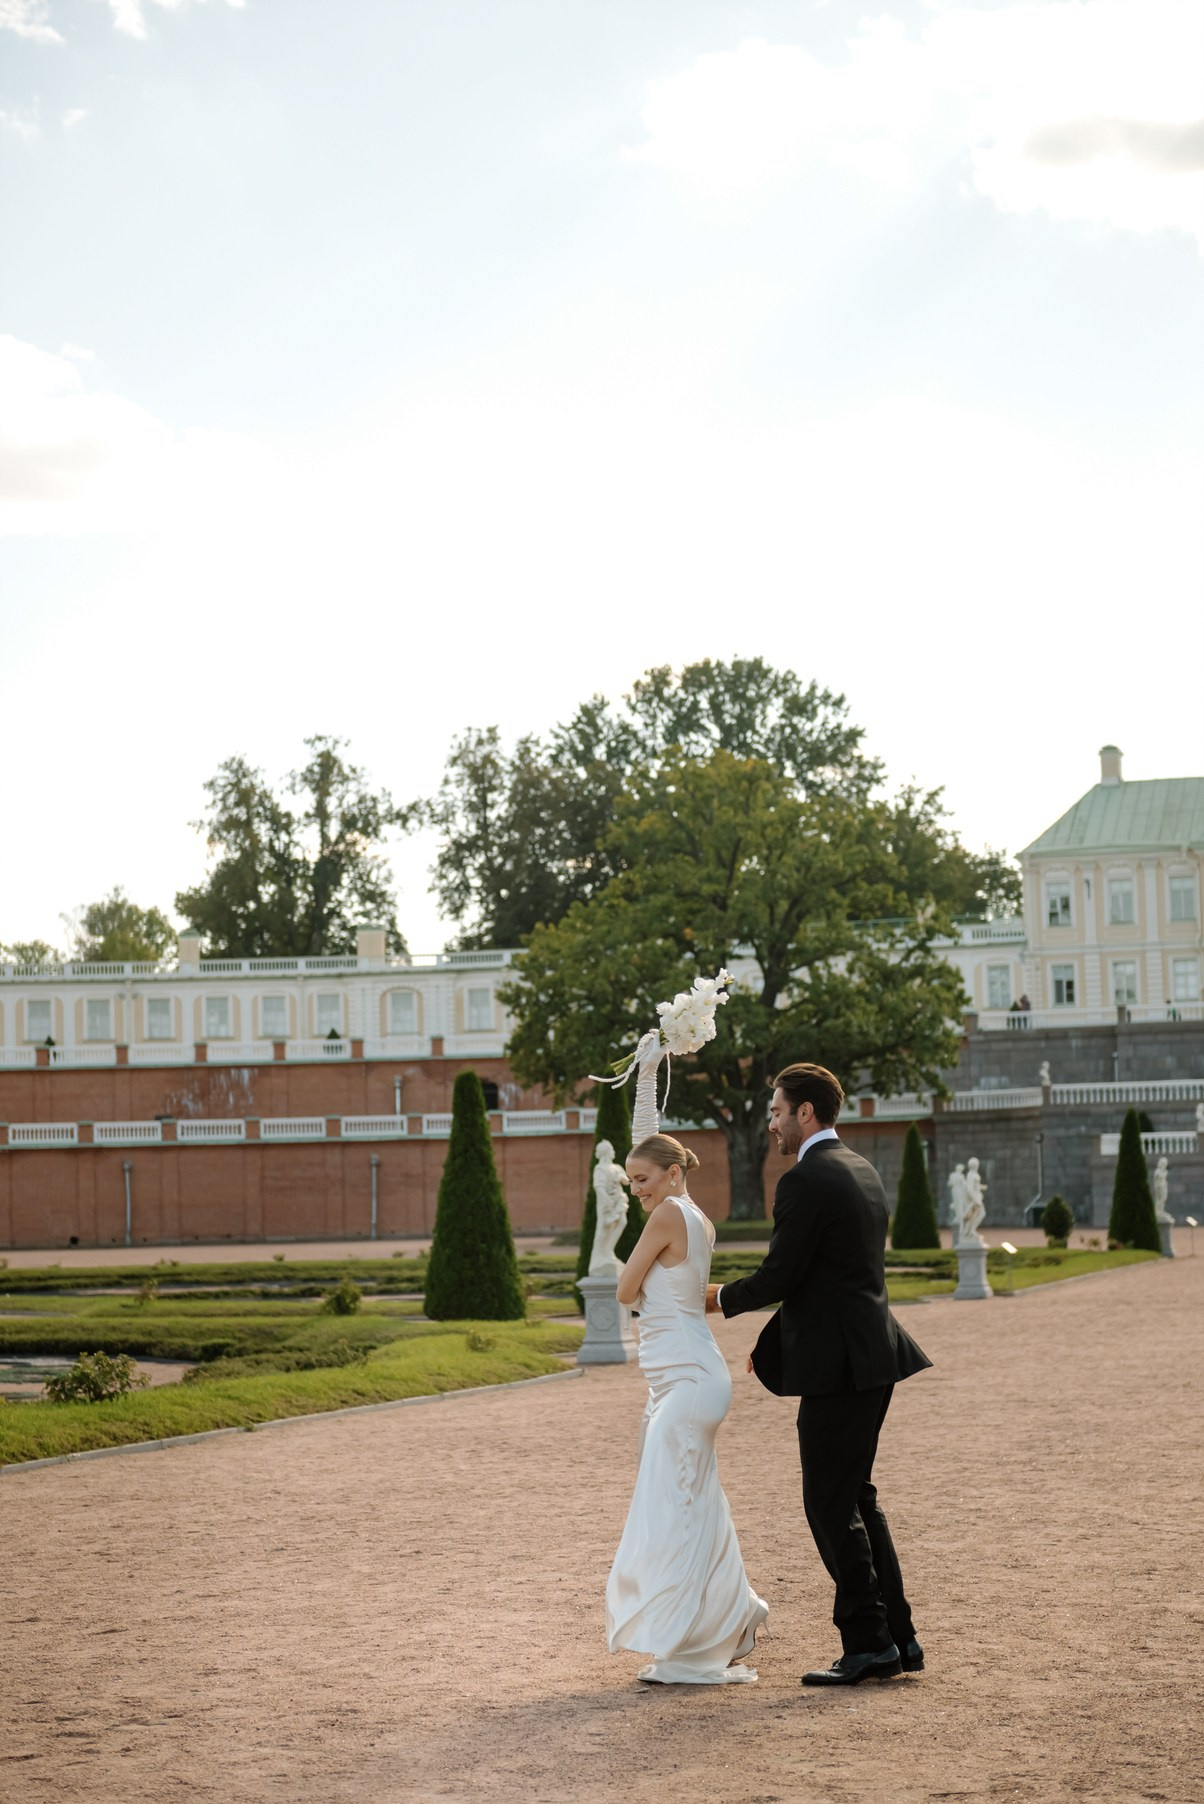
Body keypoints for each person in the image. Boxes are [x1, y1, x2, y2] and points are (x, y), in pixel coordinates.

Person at [706, 1061, 931, 1687]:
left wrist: (719, 1297)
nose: (771, 1123)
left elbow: (783, 1276)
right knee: (856, 1498)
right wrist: (773, 1341)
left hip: (842, 1368)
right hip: (872, 1356)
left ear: (805, 1112)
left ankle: (868, 1645)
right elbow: (831, 1281)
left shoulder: (805, 1179)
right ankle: (898, 1639)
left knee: (830, 1505)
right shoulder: (862, 1169)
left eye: (777, 1111)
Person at [606, 1133, 768, 1685]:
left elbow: (625, 1290)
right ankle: (732, 1618)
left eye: (642, 1180)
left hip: (689, 1385)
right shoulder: (697, 1216)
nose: (635, 1192)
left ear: (674, 1173)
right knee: (694, 1506)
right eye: (631, 1183)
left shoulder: (668, 1214)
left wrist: (637, 1266)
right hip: (688, 1380)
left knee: (673, 1509)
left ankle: (688, 1646)